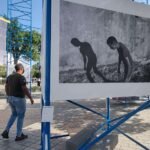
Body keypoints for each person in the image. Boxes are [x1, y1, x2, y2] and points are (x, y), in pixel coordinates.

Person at [1, 63, 34, 141]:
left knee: (14, 114)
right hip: (19, 99)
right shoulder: (21, 77)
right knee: (21, 116)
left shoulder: (9, 76)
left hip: (10, 98)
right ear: (21, 69)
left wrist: (8, 95)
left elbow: (6, 87)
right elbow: (24, 88)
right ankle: (18, 135)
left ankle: (6, 131)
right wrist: (30, 98)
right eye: (23, 70)